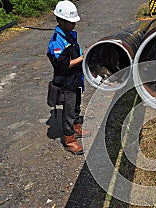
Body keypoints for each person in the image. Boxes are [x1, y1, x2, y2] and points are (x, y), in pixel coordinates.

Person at [47, 0, 90, 155]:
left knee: (77, 105)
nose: (74, 25)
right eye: (70, 22)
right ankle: (69, 140)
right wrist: (83, 58)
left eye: (74, 22)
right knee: (69, 111)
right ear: (61, 20)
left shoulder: (69, 35)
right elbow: (63, 65)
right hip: (66, 82)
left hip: (75, 78)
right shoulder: (57, 41)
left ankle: (76, 129)